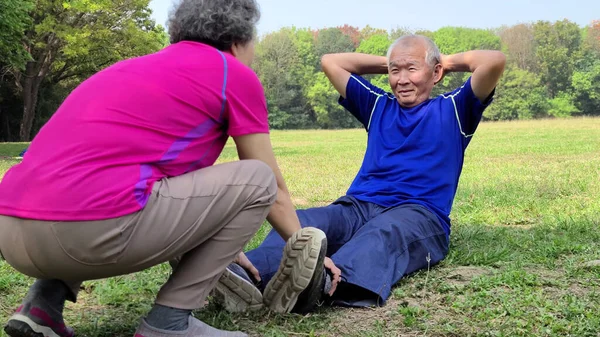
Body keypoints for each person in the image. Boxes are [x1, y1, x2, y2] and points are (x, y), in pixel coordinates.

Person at [0, 1, 329, 337]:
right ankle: (168, 323)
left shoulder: (131, 69)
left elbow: (158, 179)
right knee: (258, 180)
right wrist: (307, 246)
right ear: (238, 41)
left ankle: (41, 306)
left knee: (86, 182)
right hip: (86, 235)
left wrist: (215, 241)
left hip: (10, 232)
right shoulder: (233, 72)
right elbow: (272, 191)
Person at [212, 34, 506, 314]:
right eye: (395, 71)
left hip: (418, 213)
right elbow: (331, 62)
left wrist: (436, 61)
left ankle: (322, 285)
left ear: (436, 72)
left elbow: (493, 60)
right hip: (358, 205)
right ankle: (246, 274)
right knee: (304, 224)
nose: (401, 80)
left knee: (381, 234)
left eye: (412, 70)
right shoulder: (378, 105)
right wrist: (395, 60)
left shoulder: (456, 108)